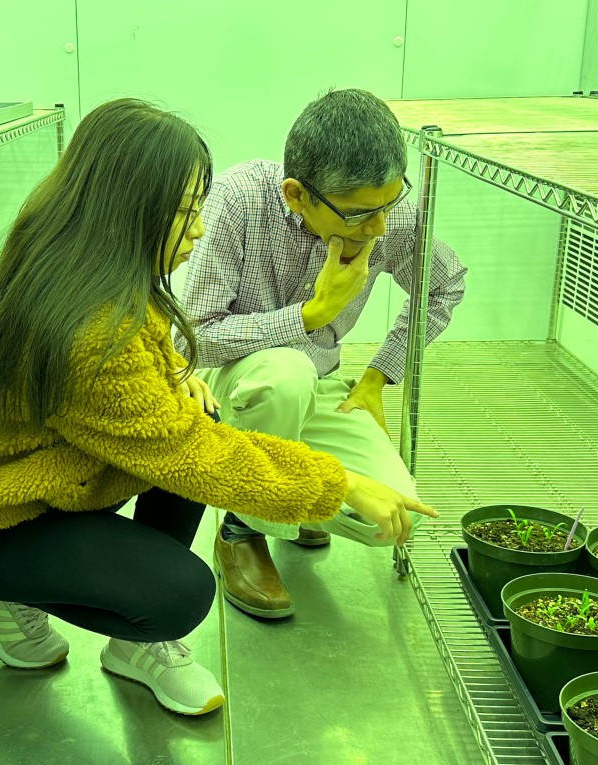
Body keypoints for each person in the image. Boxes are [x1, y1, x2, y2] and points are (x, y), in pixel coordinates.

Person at [0, 98, 438, 717]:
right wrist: (339, 480)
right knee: (179, 594)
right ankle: (7, 591)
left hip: (40, 477)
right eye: (185, 216)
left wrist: (177, 373)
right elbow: (194, 453)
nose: (201, 231)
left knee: (201, 416)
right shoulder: (89, 332)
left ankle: (129, 646)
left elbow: (167, 370)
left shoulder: (83, 261)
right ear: (126, 214)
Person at [178, 88, 467, 621]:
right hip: (237, 390)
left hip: (321, 385)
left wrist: (379, 375)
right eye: (359, 215)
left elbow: (444, 286)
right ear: (295, 195)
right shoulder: (241, 199)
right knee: (284, 374)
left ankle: (298, 496)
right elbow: (191, 337)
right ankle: (242, 529)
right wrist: (308, 316)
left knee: (397, 518)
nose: (379, 228)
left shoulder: (387, 217)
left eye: (390, 203)